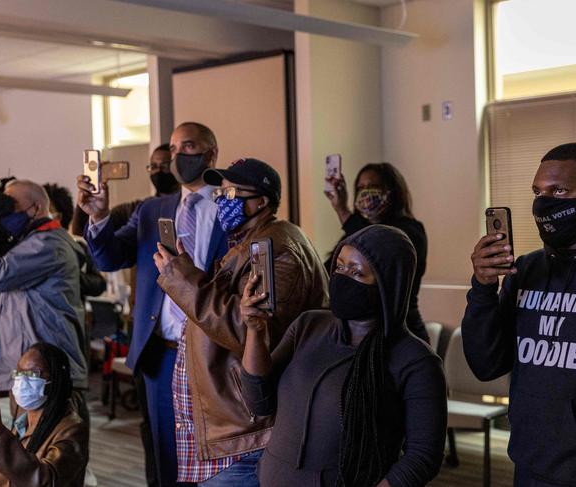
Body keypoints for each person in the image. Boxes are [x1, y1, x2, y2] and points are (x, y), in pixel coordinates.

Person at [154, 157, 329, 486]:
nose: (222, 200)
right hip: (234, 424)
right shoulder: (251, 244)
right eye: (220, 192)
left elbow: (248, 330)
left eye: (233, 193)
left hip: (248, 432)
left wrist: (182, 279)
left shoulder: (279, 250)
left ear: (261, 202)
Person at [239, 225, 447, 486]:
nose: (343, 276)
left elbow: (423, 456)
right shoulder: (309, 325)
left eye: (357, 272)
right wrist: (255, 332)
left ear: (386, 285)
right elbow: (259, 401)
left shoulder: (415, 360)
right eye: (339, 266)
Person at [79, 122, 227, 487]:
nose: (177, 156)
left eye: (187, 147)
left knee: (216, 451)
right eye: (173, 149)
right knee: (166, 454)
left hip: (214, 350)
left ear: (211, 153)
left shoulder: (231, 207)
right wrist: (98, 217)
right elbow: (111, 256)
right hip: (162, 353)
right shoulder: (152, 210)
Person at [462, 142, 576, 487]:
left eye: (559, 190)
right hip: (529, 462)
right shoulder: (526, 270)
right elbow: (486, 363)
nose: (543, 202)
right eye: (538, 191)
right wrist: (483, 287)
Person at [0, 180, 88, 399]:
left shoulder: (48, 243)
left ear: (36, 208)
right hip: (27, 371)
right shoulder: (24, 243)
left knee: (52, 433)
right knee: (22, 433)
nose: (6, 214)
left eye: (12, 207)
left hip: (46, 373)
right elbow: (2, 291)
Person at [324, 162, 429, 343]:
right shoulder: (354, 232)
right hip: (361, 335)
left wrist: (342, 211)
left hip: (399, 335)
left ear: (392, 191)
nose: (366, 193)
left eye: (373, 187)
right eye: (361, 188)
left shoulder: (410, 230)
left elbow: (374, 249)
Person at [0, 342, 88, 486]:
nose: (22, 381)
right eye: (19, 373)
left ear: (56, 379)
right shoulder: (23, 422)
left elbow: (44, 481)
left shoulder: (72, 430)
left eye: (32, 374)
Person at [71, 143, 179, 237]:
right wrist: (88, 194)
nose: (158, 171)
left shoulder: (186, 206)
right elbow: (81, 229)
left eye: (165, 165)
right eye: (153, 166)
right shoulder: (138, 209)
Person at [44, 183, 106, 299]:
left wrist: (70, 274)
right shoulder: (30, 247)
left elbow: (99, 285)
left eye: (48, 210)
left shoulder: (78, 247)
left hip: (70, 312)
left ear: (59, 216)